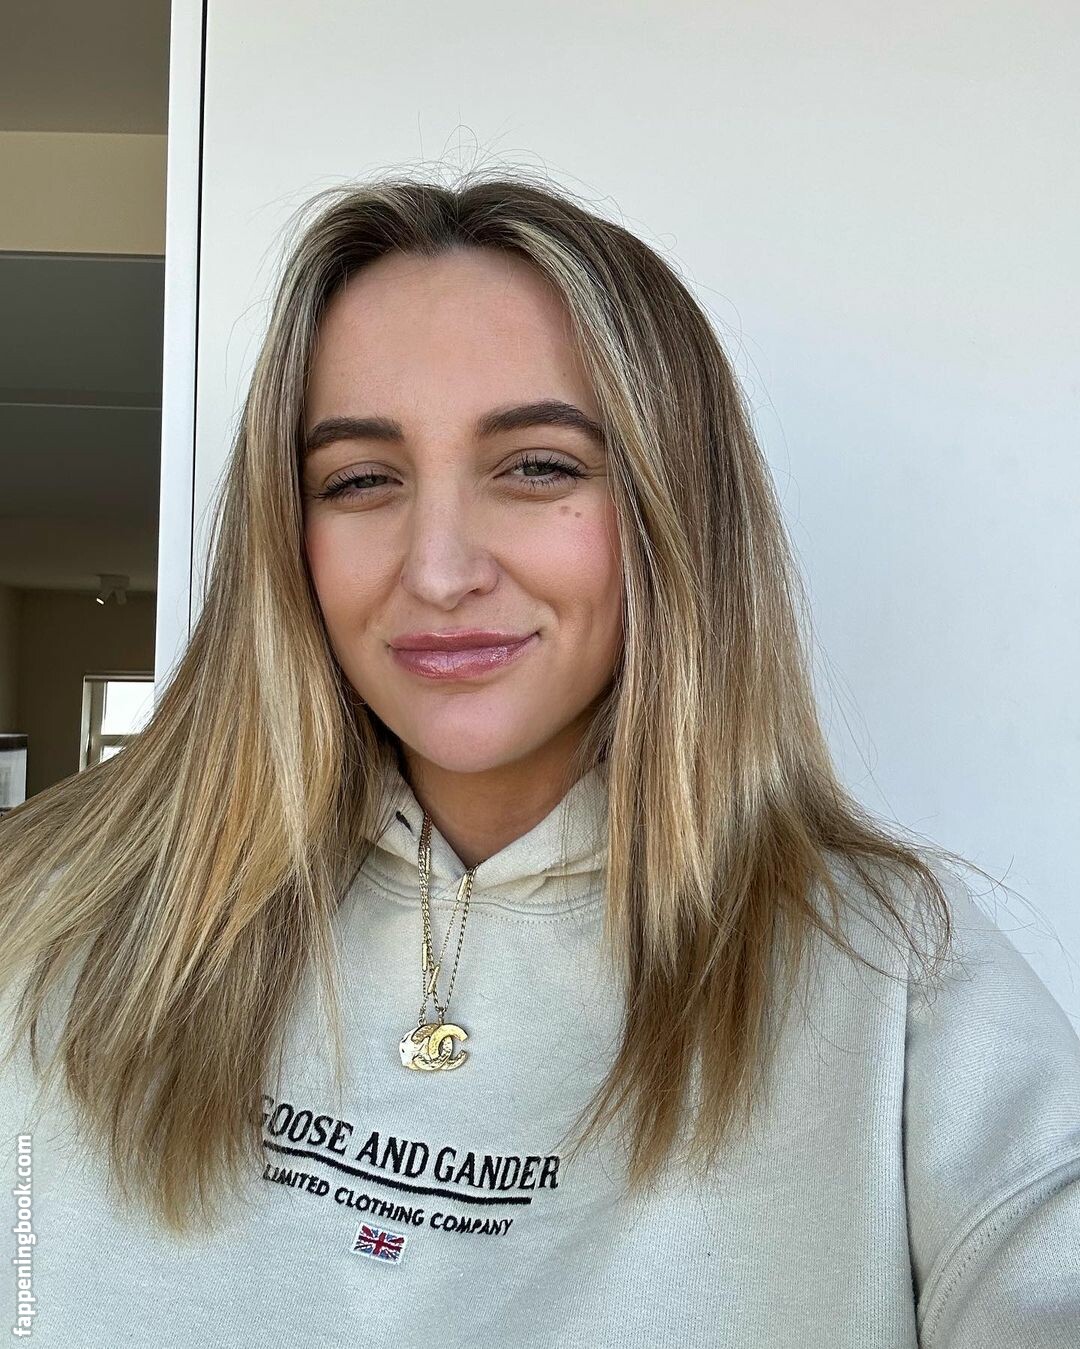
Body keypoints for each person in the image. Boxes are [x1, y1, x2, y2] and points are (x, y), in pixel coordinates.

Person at [1, 169, 1077, 1348]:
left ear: (674, 507)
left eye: (539, 466)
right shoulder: (44, 911)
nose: (439, 570)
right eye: (360, 480)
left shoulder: (894, 973)